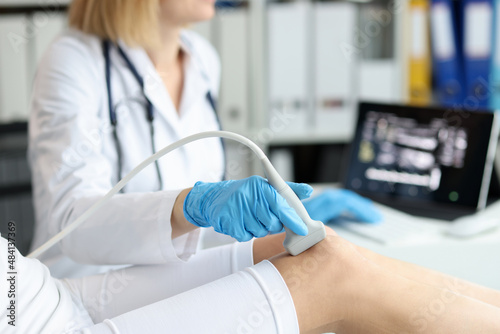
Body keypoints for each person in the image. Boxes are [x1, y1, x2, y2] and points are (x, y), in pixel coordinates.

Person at [28, 0, 381, 279]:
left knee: (332, 263)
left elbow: (198, 233)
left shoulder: (202, 59)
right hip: (81, 294)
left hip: (173, 281)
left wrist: (285, 215)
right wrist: (193, 204)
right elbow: (71, 225)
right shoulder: (73, 61)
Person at [1, 227, 500, 333]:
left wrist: (184, 206)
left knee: (311, 249)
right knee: (329, 276)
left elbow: (30, 297)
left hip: (59, 301)